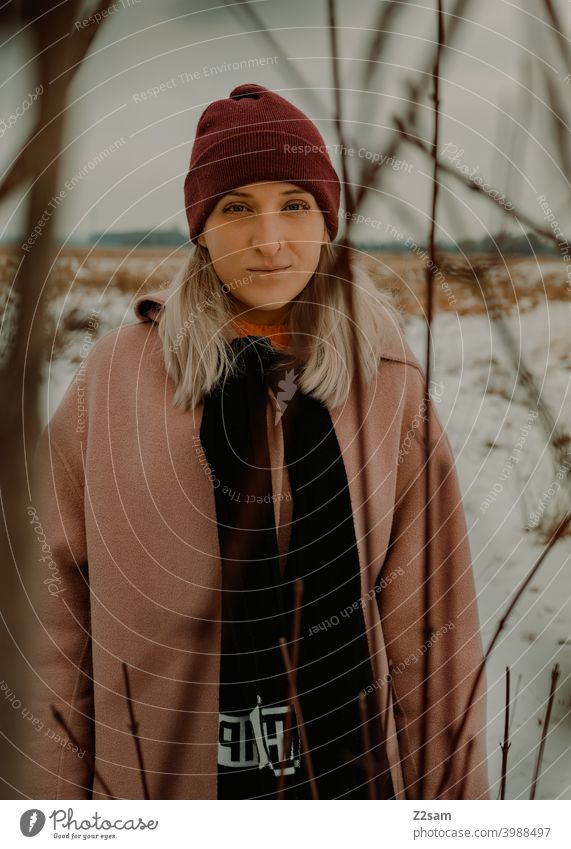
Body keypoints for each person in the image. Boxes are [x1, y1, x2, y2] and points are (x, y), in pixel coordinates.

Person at [23, 83, 490, 800]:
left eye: (294, 205)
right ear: (199, 228)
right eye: (236, 207)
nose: (268, 241)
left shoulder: (385, 379)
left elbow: (432, 637)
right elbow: (50, 628)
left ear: (327, 220)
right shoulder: (112, 379)